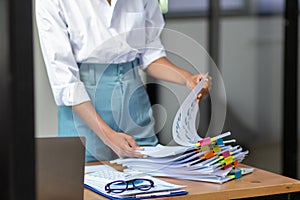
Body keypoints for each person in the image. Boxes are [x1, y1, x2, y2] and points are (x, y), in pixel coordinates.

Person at [36, 0, 210, 162]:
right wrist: (108, 136)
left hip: (134, 103)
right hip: (84, 112)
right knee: (85, 186)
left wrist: (187, 78)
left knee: (151, 182)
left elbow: (151, 56)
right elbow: (66, 83)